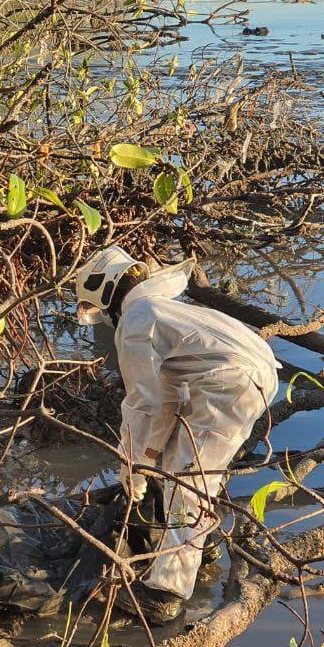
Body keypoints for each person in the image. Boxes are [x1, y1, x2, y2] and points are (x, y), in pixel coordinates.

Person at [74, 246, 280, 623]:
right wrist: (147, 461)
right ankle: (205, 549)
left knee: (189, 479)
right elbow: (166, 400)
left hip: (227, 385)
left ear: (107, 296)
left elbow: (144, 404)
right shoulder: (163, 309)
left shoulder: (137, 322)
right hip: (255, 376)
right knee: (191, 465)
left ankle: (166, 593)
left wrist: (133, 465)